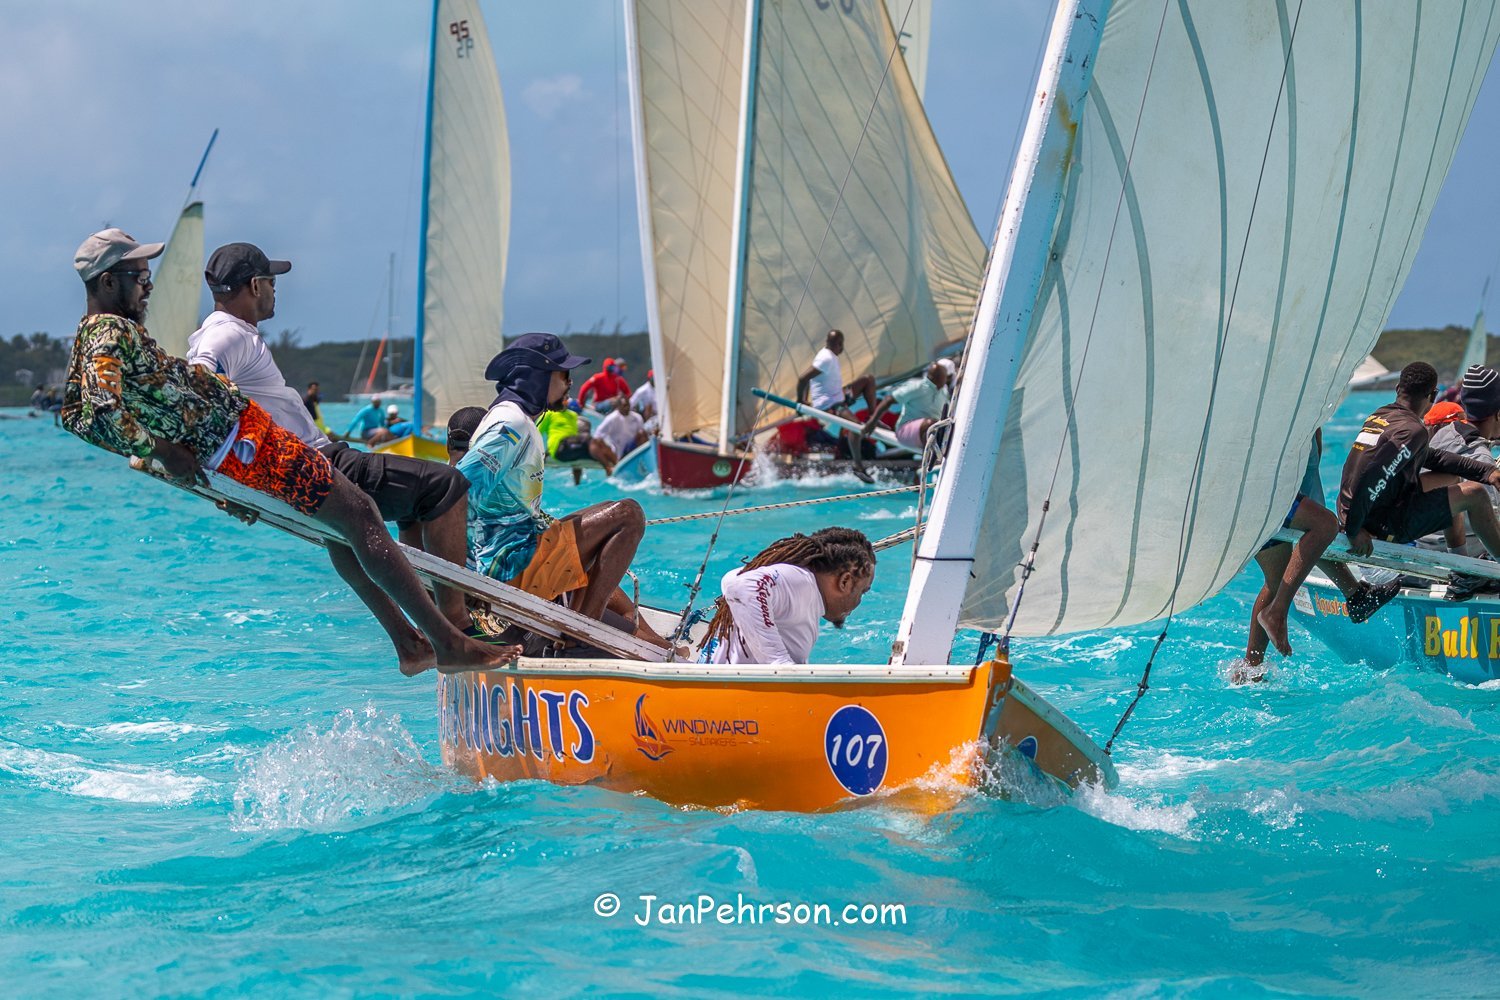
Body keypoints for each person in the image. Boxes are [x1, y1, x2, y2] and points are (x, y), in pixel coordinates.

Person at [62, 228, 515, 676]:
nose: (149, 286)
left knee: (348, 524)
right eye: (141, 277)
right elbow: (103, 411)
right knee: (363, 514)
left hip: (234, 447)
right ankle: (447, 639)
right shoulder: (114, 332)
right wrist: (160, 449)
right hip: (250, 442)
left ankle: (421, 641)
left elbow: (74, 417)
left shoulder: (90, 334)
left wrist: (175, 457)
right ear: (107, 282)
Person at [187, 240, 479, 639]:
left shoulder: (225, 333)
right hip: (318, 461)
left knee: (375, 520)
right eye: (272, 281)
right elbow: (199, 381)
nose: (276, 290)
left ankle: (416, 633)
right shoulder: (229, 334)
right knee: (447, 485)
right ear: (255, 286)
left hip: (303, 465)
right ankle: (456, 626)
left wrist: (235, 476)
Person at [458, 333, 672, 649]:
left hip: (512, 557)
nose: (571, 382)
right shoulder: (511, 424)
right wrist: (471, 582)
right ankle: (580, 633)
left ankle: (602, 625)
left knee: (604, 516)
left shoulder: (515, 419)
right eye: (564, 374)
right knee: (628, 514)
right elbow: (457, 489)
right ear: (536, 378)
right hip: (511, 567)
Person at [1244, 429, 1398, 675]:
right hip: (1261, 497)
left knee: (1279, 580)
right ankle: (1279, 613)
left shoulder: (1309, 430)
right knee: (1323, 526)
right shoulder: (1290, 426)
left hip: (1266, 498)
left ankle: (1251, 669)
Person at [1338, 360, 1500, 570]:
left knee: (1449, 477)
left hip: (1364, 511)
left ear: (1398, 389)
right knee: (1475, 494)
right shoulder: (1413, 430)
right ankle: (1476, 569)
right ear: (1432, 396)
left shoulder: (1381, 416)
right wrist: (1353, 529)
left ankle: (1461, 571)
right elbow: (1373, 477)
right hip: (1382, 524)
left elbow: (1435, 458)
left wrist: (1487, 472)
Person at [697, 527, 876, 664]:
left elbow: (738, 579)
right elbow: (742, 585)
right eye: (862, 591)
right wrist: (779, 664)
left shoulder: (805, 590)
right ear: (845, 582)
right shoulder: (802, 582)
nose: (859, 601)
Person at [795, 329, 878, 481]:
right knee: (856, 427)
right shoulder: (826, 358)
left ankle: (874, 418)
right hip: (831, 406)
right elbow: (802, 379)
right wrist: (800, 402)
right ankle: (858, 466)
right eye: (841, 344)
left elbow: (808, 380)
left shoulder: (828, 355)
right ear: (839, 344)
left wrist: (804, 399)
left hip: (838, 397)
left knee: (868, 380)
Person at [860, 359, 954, 451]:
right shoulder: (917, 387)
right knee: (931, 424)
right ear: (935, 377)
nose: (946, 379)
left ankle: (937, 456)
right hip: (905, 431)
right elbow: (888, 400)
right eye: (944, 377)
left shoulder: (944, 392)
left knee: (939, 426)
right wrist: (872, 422)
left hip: (929, 431)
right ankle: (932, 459)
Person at [589, 394, 647, 475]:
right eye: (624, 406)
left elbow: (644, 436)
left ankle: (644, 462)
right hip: (617, 453)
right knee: (595, 443)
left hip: (633, 449)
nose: (626, 408)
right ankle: (609, 468)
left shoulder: (637, 417)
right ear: (618, 407)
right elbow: (596, 438)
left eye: (628, 405)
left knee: (643, 434)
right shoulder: (611, 419)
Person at [537, 403, 592, 484]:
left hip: (566, 444)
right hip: (574, 443)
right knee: (576, 454)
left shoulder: (570, 415)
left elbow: (538, 434)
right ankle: (577, 483)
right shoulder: (584, 420)